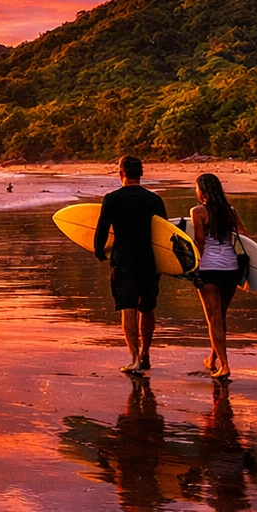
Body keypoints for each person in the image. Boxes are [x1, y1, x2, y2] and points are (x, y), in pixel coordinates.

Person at [94, 155, 166, 374]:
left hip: (123, 260)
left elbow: (102, 231)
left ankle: (134, 358)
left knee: (128, 308)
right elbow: (164, 235)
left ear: (121, 174)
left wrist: (99, 252)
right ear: (141, 174)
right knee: (148, 307)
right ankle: (145, 354)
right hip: (148, 260)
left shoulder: (112, 199)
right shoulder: (154, 200)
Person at [190, 172, 249, 380]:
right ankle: (212, 359)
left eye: (196, 187)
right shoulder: (230, 211)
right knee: (220, 317)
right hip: (231, 269)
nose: (195, 191)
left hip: (209, 269)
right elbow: (244, 235)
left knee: (213, 319)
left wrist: (194, 268)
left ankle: (224, 365)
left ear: (203, 190)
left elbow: (199, 242)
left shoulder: (198, 212)